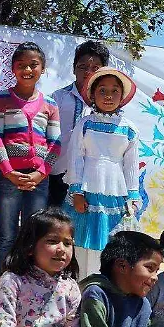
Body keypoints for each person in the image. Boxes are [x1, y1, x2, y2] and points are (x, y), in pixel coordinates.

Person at [0, 42, 60, 275]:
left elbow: (55, 144)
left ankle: (30, 288)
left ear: (43, 68)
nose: (27, 70)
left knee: (35, 235)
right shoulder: (1, 100)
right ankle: (3, 287)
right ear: (13, 68)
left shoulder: (51, 104)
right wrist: (8, 171)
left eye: (33, 65)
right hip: (9, 178)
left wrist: (40, 174)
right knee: (8, 235)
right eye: (21, 65)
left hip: (38, 181)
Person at [62, 68, 140, 276]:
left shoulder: (129, 128)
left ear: (122, 96)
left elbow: (131, 165)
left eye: (115, 91)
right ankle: (80, 287)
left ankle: (105, 291)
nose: (108, 96)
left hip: (116, 193)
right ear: (93, 94)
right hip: (87, 190)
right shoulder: (85, 123)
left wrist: (132, 196)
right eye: (102, 90)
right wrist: (77, 192)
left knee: (111, 246)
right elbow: (76, 157)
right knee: (82, 244)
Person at [49, 41, 109, 207]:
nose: (88, 72)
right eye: (82, 66)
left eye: (95, 68)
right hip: (57, 175)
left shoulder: (110, 106)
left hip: (92, 180)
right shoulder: (58, 98)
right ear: (74, 68)